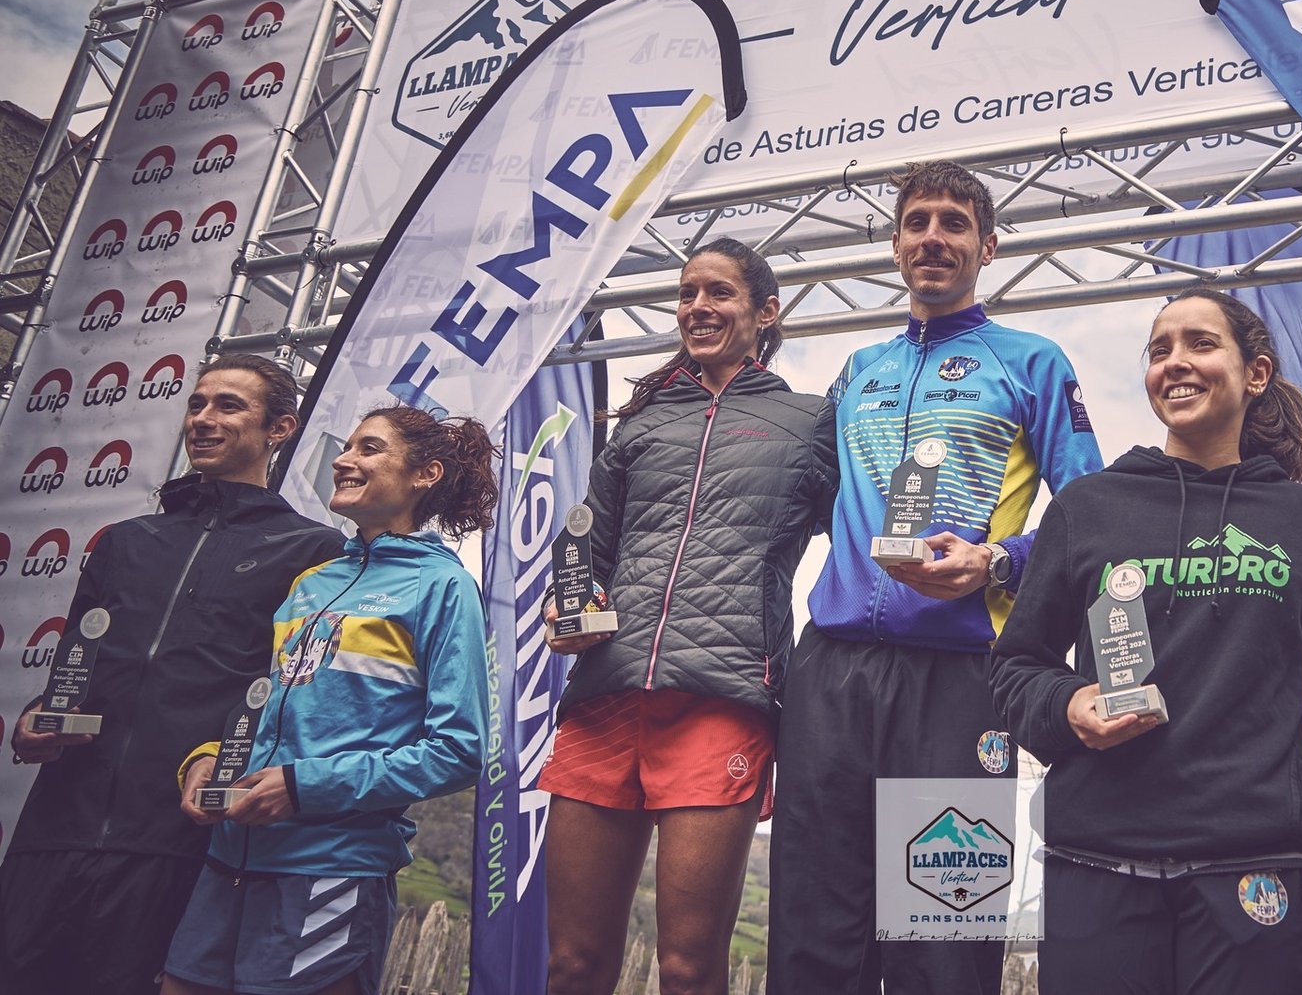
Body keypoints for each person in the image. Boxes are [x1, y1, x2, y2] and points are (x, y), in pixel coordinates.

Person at [991, 287, 1302, 994]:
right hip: (1097, 868)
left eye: (1199, 343)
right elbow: (1015, 671)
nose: (1175, 362)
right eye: (1160, 350)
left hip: (1253, 878)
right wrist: (1069, 706)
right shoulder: (1088, 508)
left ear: (1255, 372)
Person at [768, 160, 1104, 995]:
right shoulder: (856, 371)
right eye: (917, 221)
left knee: (943, 932)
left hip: (962, 676)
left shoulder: (1031, 362)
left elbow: (1090, 514)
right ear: (894, 244)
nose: (933, 236)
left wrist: (999, 559)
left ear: (986, 246)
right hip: (833, 671)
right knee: (814, 930)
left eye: (954, 222)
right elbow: (795, 506)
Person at [537, 238, 834, 995]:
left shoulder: (809, 422)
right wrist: (565, 610)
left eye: (720, 293)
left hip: (722, 700)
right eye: (687, 292)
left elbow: (866, 549)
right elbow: (586, 563)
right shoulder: (638, 427)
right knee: (571, 964)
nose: (698, 306)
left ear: (765, 312)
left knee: (687, 967)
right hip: (606, 696)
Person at [0, 355, 345, 995]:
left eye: (229, 406)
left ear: (281, 427)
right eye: (198, 403)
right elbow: (71, 675)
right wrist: (32, 722)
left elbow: (299, 699)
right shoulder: (125, 542)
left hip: (177, 843)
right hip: (54, 829)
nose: (205, 419)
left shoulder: (314, 552)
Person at [164, 405, 493, 995]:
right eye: (347, 447)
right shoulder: (310, 582)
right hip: (228, 860)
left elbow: (459, 750)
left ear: (426, 474)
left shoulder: (442, 585)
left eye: (369, 449)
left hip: (331, 868)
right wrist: (213, 759)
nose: (343, 459)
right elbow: (266, 714)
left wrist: (304, 786)